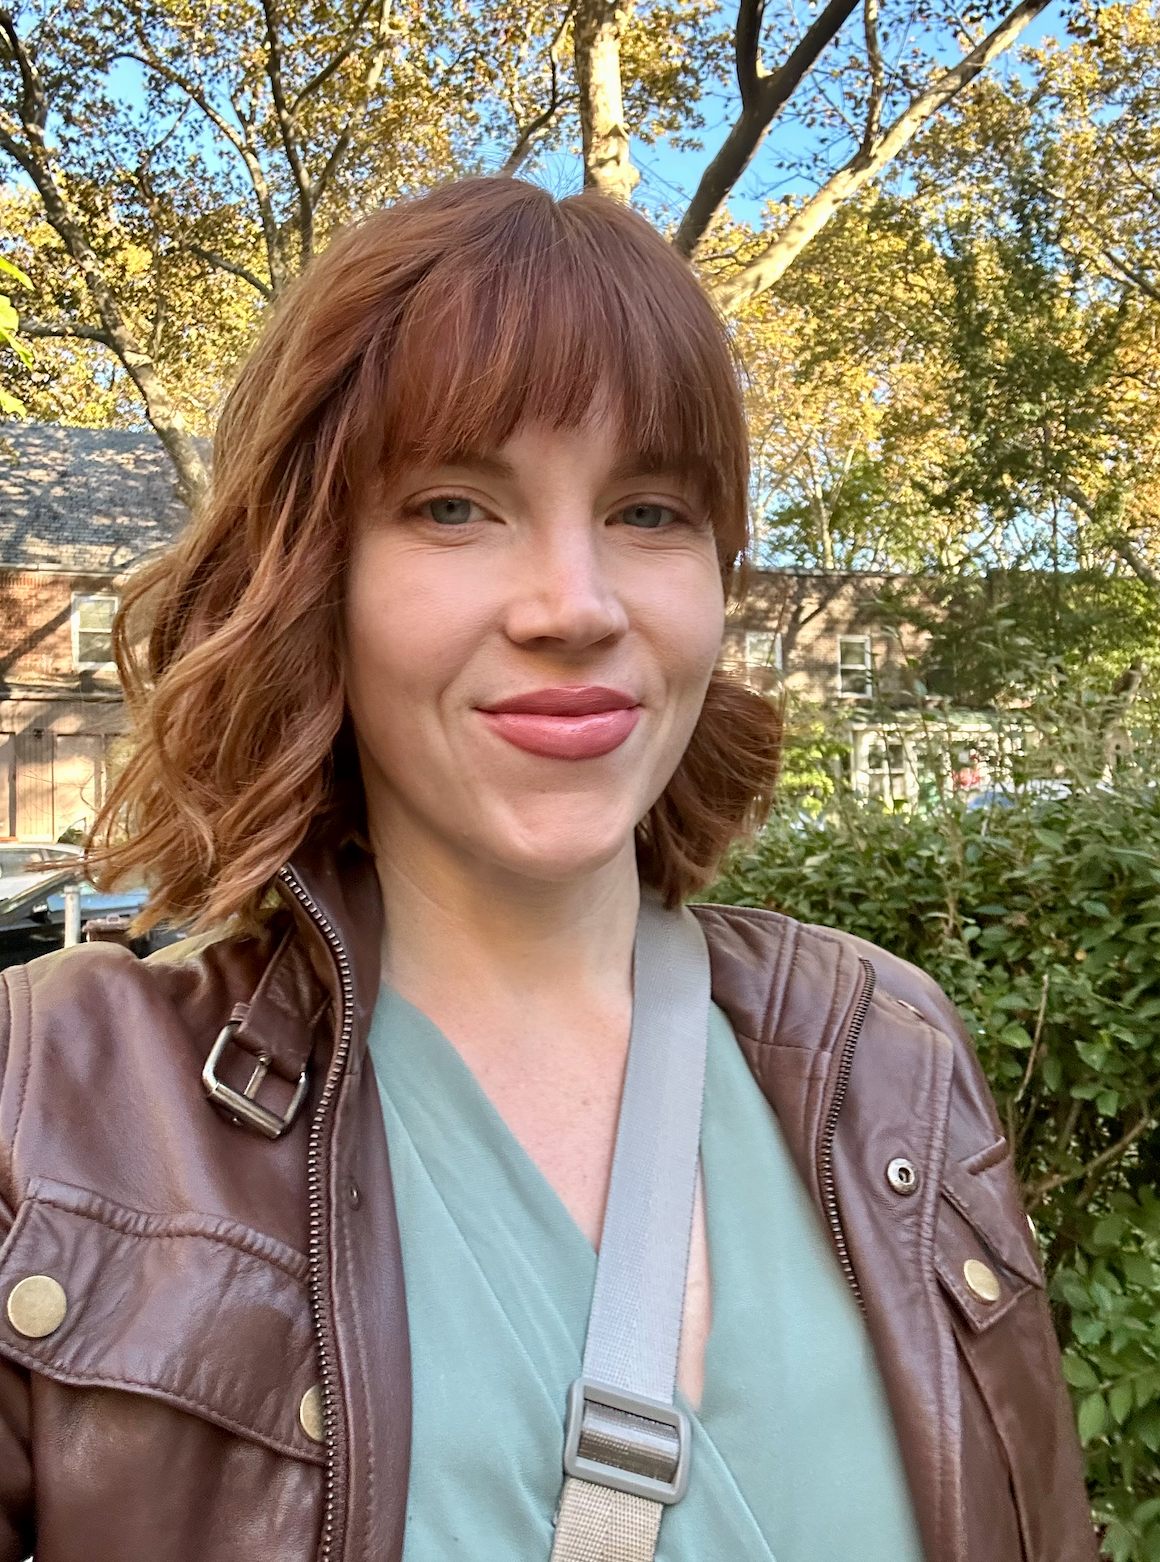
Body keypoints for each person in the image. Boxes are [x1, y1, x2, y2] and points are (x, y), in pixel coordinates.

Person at [0, 177, 1094, 1562]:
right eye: (456, 505)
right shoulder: (57, 1107)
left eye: (650, 511)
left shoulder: (890, 1051)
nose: (574, 604)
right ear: (314, 575)